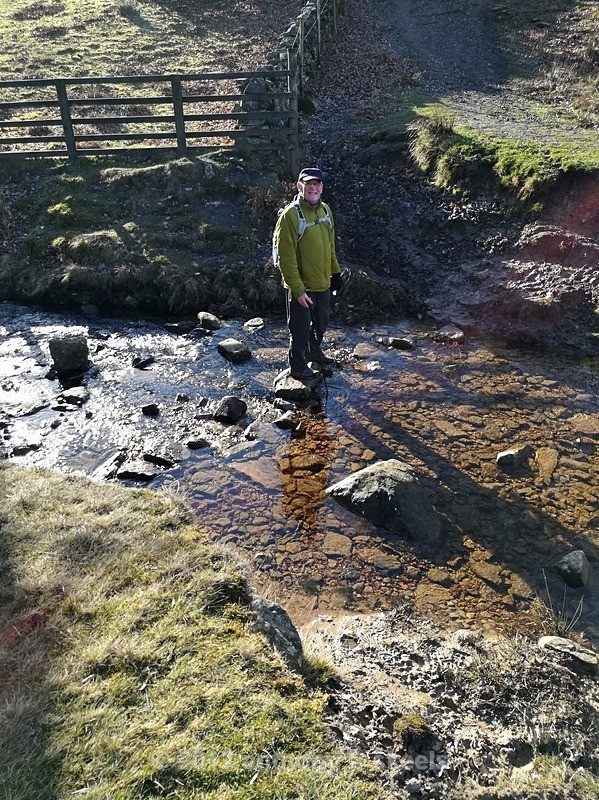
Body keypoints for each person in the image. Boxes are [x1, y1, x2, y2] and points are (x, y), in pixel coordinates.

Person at [273, 167, 343, 380]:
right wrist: (297, 289)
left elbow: (330, 246)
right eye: (308, 184)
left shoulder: (326, 211)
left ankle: (315, 353)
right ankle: (298, 367)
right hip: (301, 288)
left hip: (322, 283)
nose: (313, 187)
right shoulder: (290, 216)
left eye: (317, 184)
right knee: (300, 330)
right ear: (299, 187)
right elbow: (286, 258)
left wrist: (335, 273)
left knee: (321, 323)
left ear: (322, 188)